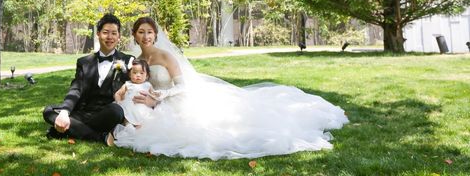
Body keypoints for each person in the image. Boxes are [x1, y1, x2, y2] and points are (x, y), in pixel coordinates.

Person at [113, 16, 350, 160]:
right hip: (153, 105)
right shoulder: (135, 60)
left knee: (214, 132)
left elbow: (182, 86)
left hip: (175, 100)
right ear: (134, 36)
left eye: (149, 32)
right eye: (141, 32)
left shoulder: (166, 57)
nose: (146, 36)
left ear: (155, 35)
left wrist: (159, 98)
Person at [42, 14, 135, 144]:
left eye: (114, 33)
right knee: (49, 111)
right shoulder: (84, 62)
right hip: (85, 112)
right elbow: (76, 89)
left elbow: (135, 87)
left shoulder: (128, 60)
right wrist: (65, 112)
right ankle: (100, 137)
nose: (110, 37)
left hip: (108, 112)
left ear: (119, 36)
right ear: (98, 34)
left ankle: (64, 130)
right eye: (105, 32)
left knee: (117, 111)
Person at [114, 58, 155, 128]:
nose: (138, 75)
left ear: (147, 76)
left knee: (146, 121)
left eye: (141, 73)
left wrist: (153, 99)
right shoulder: (128, 84)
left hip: (143, 108)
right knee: (127, 118)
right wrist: (119, 102)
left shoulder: (148, 85)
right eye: (135, 73)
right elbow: (118, 94)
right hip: (129, 106)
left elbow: (154, 96)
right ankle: (128, 127)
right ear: (130, 74)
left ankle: (140, 128)